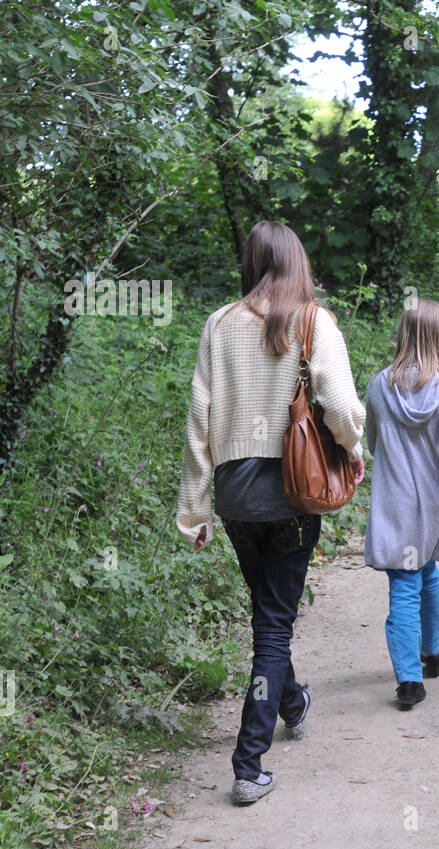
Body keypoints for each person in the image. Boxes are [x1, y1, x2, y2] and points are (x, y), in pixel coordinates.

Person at [176, 220, 366, 804]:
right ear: (297, 262)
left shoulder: (219, 323)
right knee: (273, 627)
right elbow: (338, 404)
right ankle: (248, 762)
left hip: (237, 496)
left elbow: (198, 417)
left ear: (251, 261)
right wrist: (355, 449)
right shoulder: (313, 319)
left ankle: (292, 700)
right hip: (291, 493)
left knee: (269, 611)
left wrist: (195, 507)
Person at [364, 298, 439, 710]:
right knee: (424, 568)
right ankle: (432, 652)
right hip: (434, 500)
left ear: (403, 336)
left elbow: (373, 442)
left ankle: (409, 680)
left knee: (405, 582)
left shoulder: (378, 385)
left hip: (395, 501)